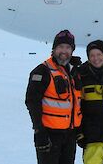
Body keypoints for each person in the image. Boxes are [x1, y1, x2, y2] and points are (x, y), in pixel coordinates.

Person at [25, 30, 82, 164]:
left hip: (70, 135)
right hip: (50, 135)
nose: (64, 51)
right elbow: (32, 102)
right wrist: (39, 130)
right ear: (54, 49)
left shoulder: (74, 72)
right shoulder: (42, 71)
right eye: (61, 47)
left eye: (68, 48)